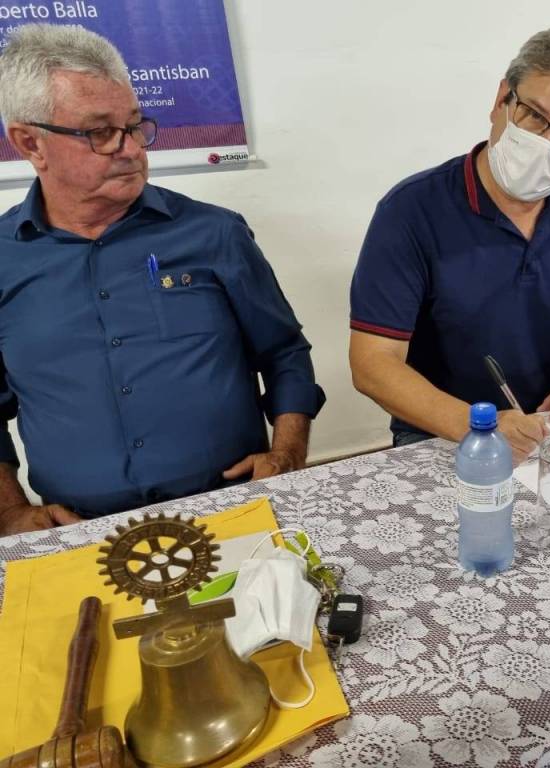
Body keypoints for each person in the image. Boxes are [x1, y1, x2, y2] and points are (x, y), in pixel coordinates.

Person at [0, 24, 325, 534]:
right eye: (100, 132)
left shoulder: (214, 233)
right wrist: (10, 511)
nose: (130, 149)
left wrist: (287, 453)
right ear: (30, 143)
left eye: (134, 126)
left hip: (233, 507)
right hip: (78, 529)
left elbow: (284, 353)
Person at [349, 29, 550, 463]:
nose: (544, 142)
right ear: (502, 100)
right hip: (441, 433)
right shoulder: (410, 210)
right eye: (534, 115)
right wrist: (475, 425)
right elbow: (373, 363)